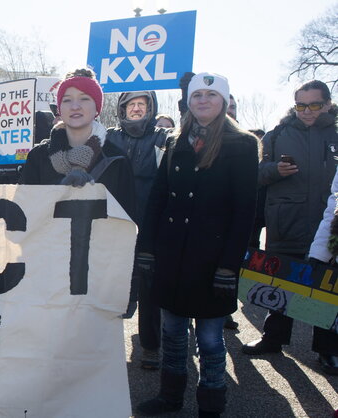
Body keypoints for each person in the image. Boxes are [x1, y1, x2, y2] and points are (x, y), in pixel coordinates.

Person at [134, 72, 258, 417]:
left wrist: (229, 266)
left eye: (211, 94)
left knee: (210, 341)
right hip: (172, 255)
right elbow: (159, 197)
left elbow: (244, 212)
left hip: (212, 260)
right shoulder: (176, 140)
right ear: (188, 100)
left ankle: (211, 407)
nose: (203, 100)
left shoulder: (243, 144)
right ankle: (170, 398)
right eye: (197, 95)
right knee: (172, 332)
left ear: (224, 101)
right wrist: (147, 247)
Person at [242, 80, 338, 375]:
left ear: (328, 104)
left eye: (314, 105)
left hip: (326, 224)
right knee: (281, 281)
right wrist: (274, 171)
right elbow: (254, 174)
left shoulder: (335, 134)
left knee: (325, 289)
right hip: (286, 222)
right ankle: (273, 338)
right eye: (301, 105)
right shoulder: (277, 134)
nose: (307, 111)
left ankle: (327, 350)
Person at [105, 90, 169, 369]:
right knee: (110, 285)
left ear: (151, 109)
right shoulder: (109, 136)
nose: (136, 109)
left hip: (149, 222)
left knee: (149, 287)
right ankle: (105, 344)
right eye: (131, 104)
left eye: (142, 105)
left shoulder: (162, 137)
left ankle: (151, 347)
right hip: (112, 222)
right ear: (121, 108)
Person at [19, 68, 135, 218]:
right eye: (67, 100)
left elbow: (126, 223)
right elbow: (23, 212)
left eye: (84, 98)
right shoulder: (38, 156)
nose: (75, 106)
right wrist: (58, 190)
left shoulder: (116, 160)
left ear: (97, 107)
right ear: (60, 108)